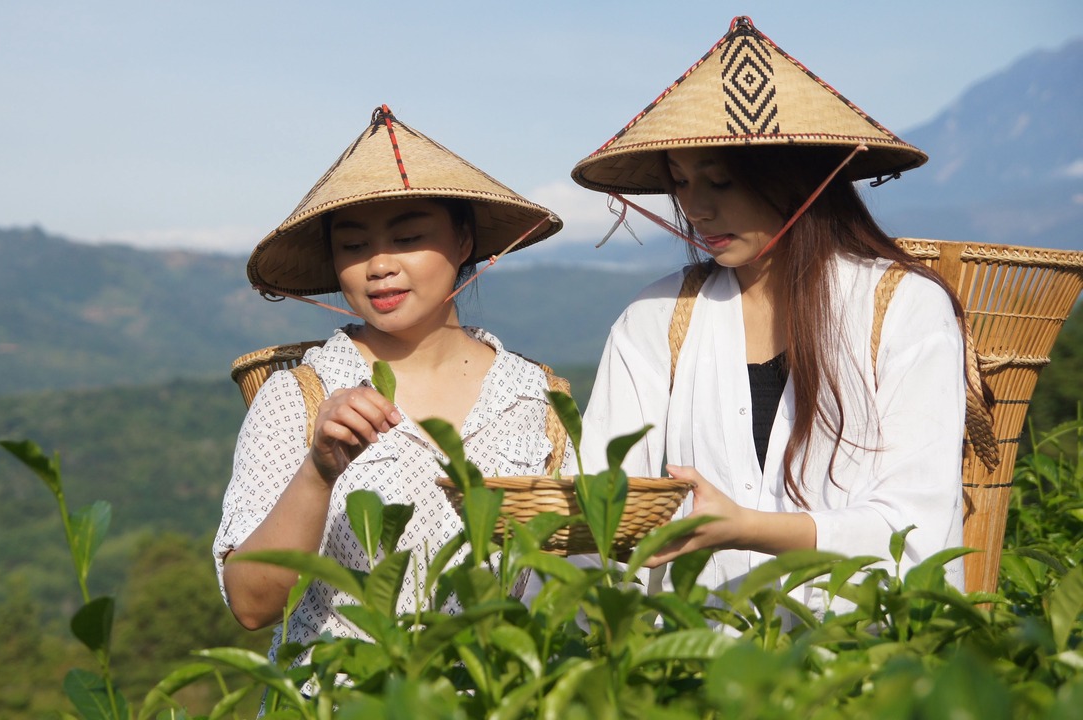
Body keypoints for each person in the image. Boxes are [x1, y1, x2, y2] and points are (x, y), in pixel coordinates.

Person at [567, 17, 984, 616]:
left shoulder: (903, 307)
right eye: (680, 181)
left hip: (865, 665)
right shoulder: (655, 319)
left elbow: (915, 529)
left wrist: (747, 527)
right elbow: (603, 502)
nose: (697, 207)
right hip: (698, 672)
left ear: (796, 181)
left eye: (722, 180)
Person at [213, 105, 570, 658]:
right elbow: (251, 604)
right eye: (353, 246)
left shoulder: (538, 399)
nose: (379, 265)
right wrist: (318, 471)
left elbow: (577, 581)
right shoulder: (300, 397)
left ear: (463, 241)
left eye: (407, 238)